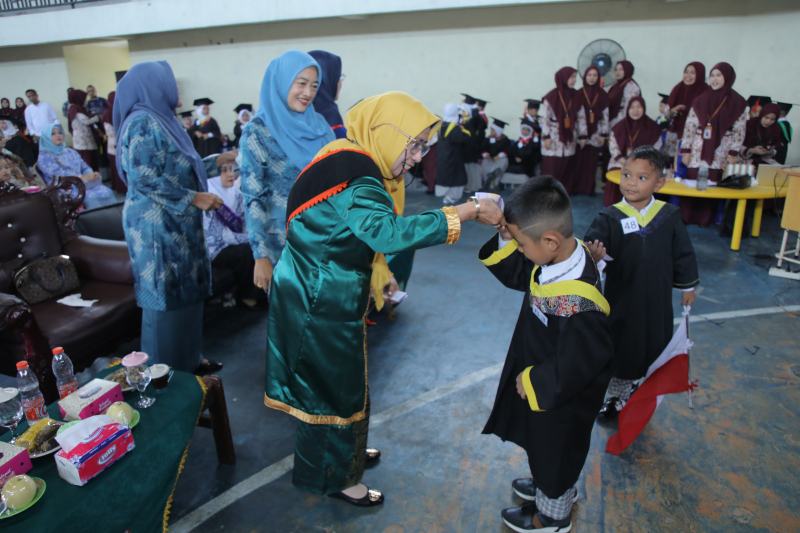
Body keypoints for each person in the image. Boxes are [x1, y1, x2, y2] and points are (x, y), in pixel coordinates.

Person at [265, 89, 503, 506]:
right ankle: (336, 475)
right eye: (412, 146)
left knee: (333, 381)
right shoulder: (361, 181)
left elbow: (349, 232)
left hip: (313, 281)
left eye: (421, 148)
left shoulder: (345, 152)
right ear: (386, 132)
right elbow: (388, 233)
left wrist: (380, 273)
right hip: (323, 293)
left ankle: (343, 454)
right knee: (336, 388)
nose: (415, 158)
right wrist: (465, 211)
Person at [479, 176, 612, 533]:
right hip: (540, 376)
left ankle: (552, 516)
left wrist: (533, 379)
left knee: (557, 456)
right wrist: (508, 234)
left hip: (560, 398)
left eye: (521, 244)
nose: (521, 251)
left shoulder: (579, 305)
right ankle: (547, 489)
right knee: (542, 447)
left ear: (550, 240)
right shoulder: (561, 256)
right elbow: (521, 272)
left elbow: (580, 365)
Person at [114, 61, 227, 375]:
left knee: (186, 298)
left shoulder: (164, 120)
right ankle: (161, 375)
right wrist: (194, 198)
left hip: (177, 224)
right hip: (155, 229)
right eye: (168, 81)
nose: (174, 88)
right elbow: (144, 177)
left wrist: (218, 161)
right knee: (163, 304)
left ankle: (187, 363)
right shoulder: (141, 122)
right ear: (151, 84)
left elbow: (182, 168)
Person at [585, 145, 698, 418]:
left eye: (641, 177)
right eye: (626, 175)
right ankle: (614, 396)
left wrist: (688, 286)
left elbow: (683, 253)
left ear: (659, 182)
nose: (630, 183)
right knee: (622, 346)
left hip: (657, 301)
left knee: (653, 343)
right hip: (622, 299)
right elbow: (593, 250)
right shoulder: (609, 217)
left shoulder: (668, 216)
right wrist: (594, 256)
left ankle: (640, 388)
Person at [240, 50, 335, 295]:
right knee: (293, 324)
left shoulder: (321, 127)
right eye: (301, 83)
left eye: (314, 86)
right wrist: (260, 256)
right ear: (282, 82)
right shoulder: (258, 132)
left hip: (327, 242)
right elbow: (253, 196)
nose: (308, 93)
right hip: (283, 249)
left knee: (331, 323)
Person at [679, 62, 747, 226]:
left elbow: (740, 130)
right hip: (698, 148)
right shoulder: (701, 100)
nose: (714, 79)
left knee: (712, 183)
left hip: (720, 149)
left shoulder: (738, 102)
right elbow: (690, 125)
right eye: (713, 75)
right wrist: (686, 150)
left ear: (728, 78)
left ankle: (705, 220)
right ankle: (687, 217)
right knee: (694, 181)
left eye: (719, 75)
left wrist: (733, 153)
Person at [204, 161, 262, 308]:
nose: (231, 174)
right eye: (224, 171)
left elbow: (245, 220)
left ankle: (263, 294)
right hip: (214, 248)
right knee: (246, 252)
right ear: (214, 176)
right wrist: (248, 238)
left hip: (232, 241)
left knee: (260, 244)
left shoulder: (235, 194)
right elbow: (219, 235)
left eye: (232, 169)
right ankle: (247, 297)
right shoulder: (209, 199)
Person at [36, 122, 115, 209]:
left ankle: (110, 219)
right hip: (65, 188)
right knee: (91, 197)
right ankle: (96, 221)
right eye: (53, 134)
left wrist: (91, 175)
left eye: (60, 132)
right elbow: (60, 176)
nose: (58, 135)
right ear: (46, 137)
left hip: (84, 183)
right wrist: (83, 178)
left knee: (107, 192)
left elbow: (84, 167)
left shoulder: (70, 151)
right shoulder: (44, 157)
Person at [540, 66, 587, 193]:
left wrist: (583, 136)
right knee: (552, 168)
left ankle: (564, 194)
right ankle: (549, 195)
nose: (573, 80)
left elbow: (581, 117)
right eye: (571, 77)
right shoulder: (551, 97)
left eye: (575, 78)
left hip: (569, 137)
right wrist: (546, 137)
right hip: (553, 138)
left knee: (567, 166)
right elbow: (545, 119)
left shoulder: (577, 96)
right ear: (563, 78)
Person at [572, 65, 610, 196]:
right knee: (578, 163)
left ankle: (588, 190)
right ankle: (577, 188)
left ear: (598, 77)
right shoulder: (578, 93)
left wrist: (604, 134)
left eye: (595, 75)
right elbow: (575, 116)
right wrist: (581, 135)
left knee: (591, 164)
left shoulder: (603, 95)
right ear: (585, 77)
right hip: (580, 135)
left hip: (596, 135)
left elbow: (605, 115)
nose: (592, 78)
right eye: (589, 75)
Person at [666, 62, 708, 173]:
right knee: (671, 168)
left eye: (692, 73)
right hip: (675, 135)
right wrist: (673, 111)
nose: (688, 76)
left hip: (694, 138)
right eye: (686, 72)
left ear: (700, 75)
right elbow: (667, 113)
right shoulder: (678, 88)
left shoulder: (705, 92)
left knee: (686, 170)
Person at [435, 103, 471, 204]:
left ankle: (448, 201)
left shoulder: (443, 125)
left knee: (449, 179)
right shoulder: (454, 129)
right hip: (453, 159)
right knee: (456, 180)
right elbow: (464, 140)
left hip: (445, 157)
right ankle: (450, 202)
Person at [308, 49, 347, 139]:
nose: (340, 83)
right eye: (339, 77)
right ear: (327, 79)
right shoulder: (332, 120)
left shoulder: (294, 115)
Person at [741, 102, 784, 169]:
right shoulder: (750, 125)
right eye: (766, 117)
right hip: (743, 160)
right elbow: (736, 144)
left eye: (772, 119)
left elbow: (776, 146)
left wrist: (769, 151)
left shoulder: (775, 129)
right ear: (762, 114)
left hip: (763, 161)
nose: (768, 121)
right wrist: (752, 150)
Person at [67, 88, 101, 170]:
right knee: (88, 161)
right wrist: (97, 117)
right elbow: (86, 121)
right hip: (83, 141)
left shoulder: (77, 108)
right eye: (84, 99)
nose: (86, 101)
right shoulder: (75, 108)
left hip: (83, 139)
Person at [462, 93, 489, 193]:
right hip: (473, 145)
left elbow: (476, 130)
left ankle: (472, 186)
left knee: (472, 167)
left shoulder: (476, 115)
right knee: (471, 167)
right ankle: (474, 185)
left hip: (472, 146)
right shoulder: (475, 114)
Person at [503, 117, 539, 185]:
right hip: (515, 164)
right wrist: (515, 158)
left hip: (526, 165)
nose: (524, 131)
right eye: (523, 129)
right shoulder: (517, 142)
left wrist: (522, 159)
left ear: (530, 131)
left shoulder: (532, 143)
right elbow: (511, 152)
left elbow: (531, 155)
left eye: (527, 130)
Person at [102, 91, 126, 193]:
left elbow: (108, 131)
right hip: (120, 142)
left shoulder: (105, 113)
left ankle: (117, 187)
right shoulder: (120, 111)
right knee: (122, 166)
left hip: (111, 143)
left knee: (114, 166)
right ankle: (124, 187)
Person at [607, 60, 641, 128]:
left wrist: (619, 126)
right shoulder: (616, 86)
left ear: (627, 70)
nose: (617, 72)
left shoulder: (630, 86)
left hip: (623, 124)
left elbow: (629, 109)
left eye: (621, 69)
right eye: (616, 69)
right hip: (613, 123)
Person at [481, 118, 511, 189]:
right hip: (490, 159)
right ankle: (488, 180)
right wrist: (485, 154)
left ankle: (493, 182)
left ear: (498, 131)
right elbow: (482, 148)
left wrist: (500, 155)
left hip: (499, 159)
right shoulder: (488, 138)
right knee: (485, 162)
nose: (491, 131)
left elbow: (507, 150)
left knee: (503, 161)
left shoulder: (505, 140)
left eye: (493, 130)